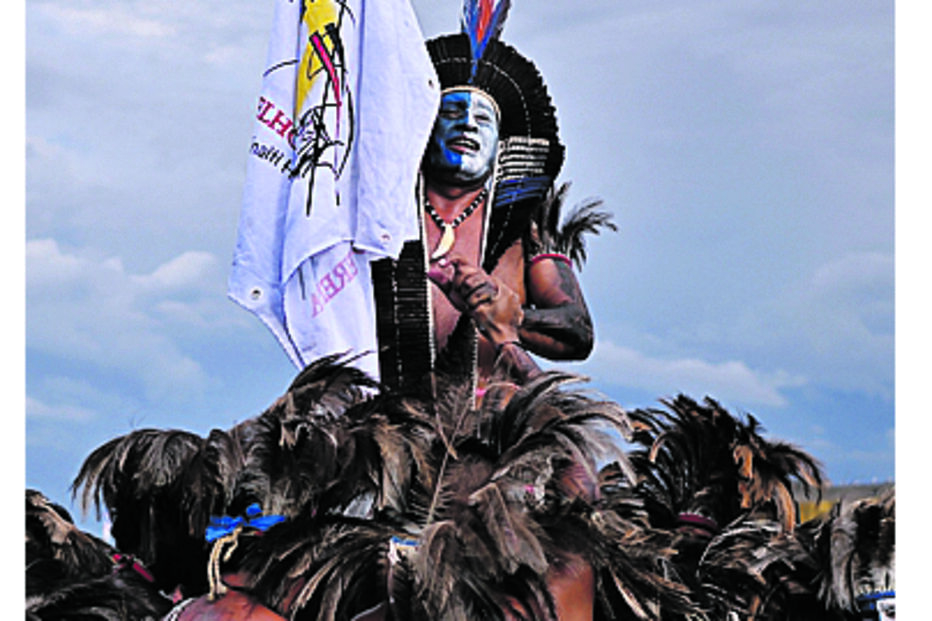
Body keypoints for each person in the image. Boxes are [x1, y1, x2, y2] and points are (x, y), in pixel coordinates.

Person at [372, 28, 604, 401]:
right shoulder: (375, 219)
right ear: (424, 128)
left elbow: (577, 332)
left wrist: (505, 311)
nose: (466, 124)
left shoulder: (527, 227)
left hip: (495, 435)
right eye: (450, 112)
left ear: (500, 144)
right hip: (381, 429)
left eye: (482, 119)